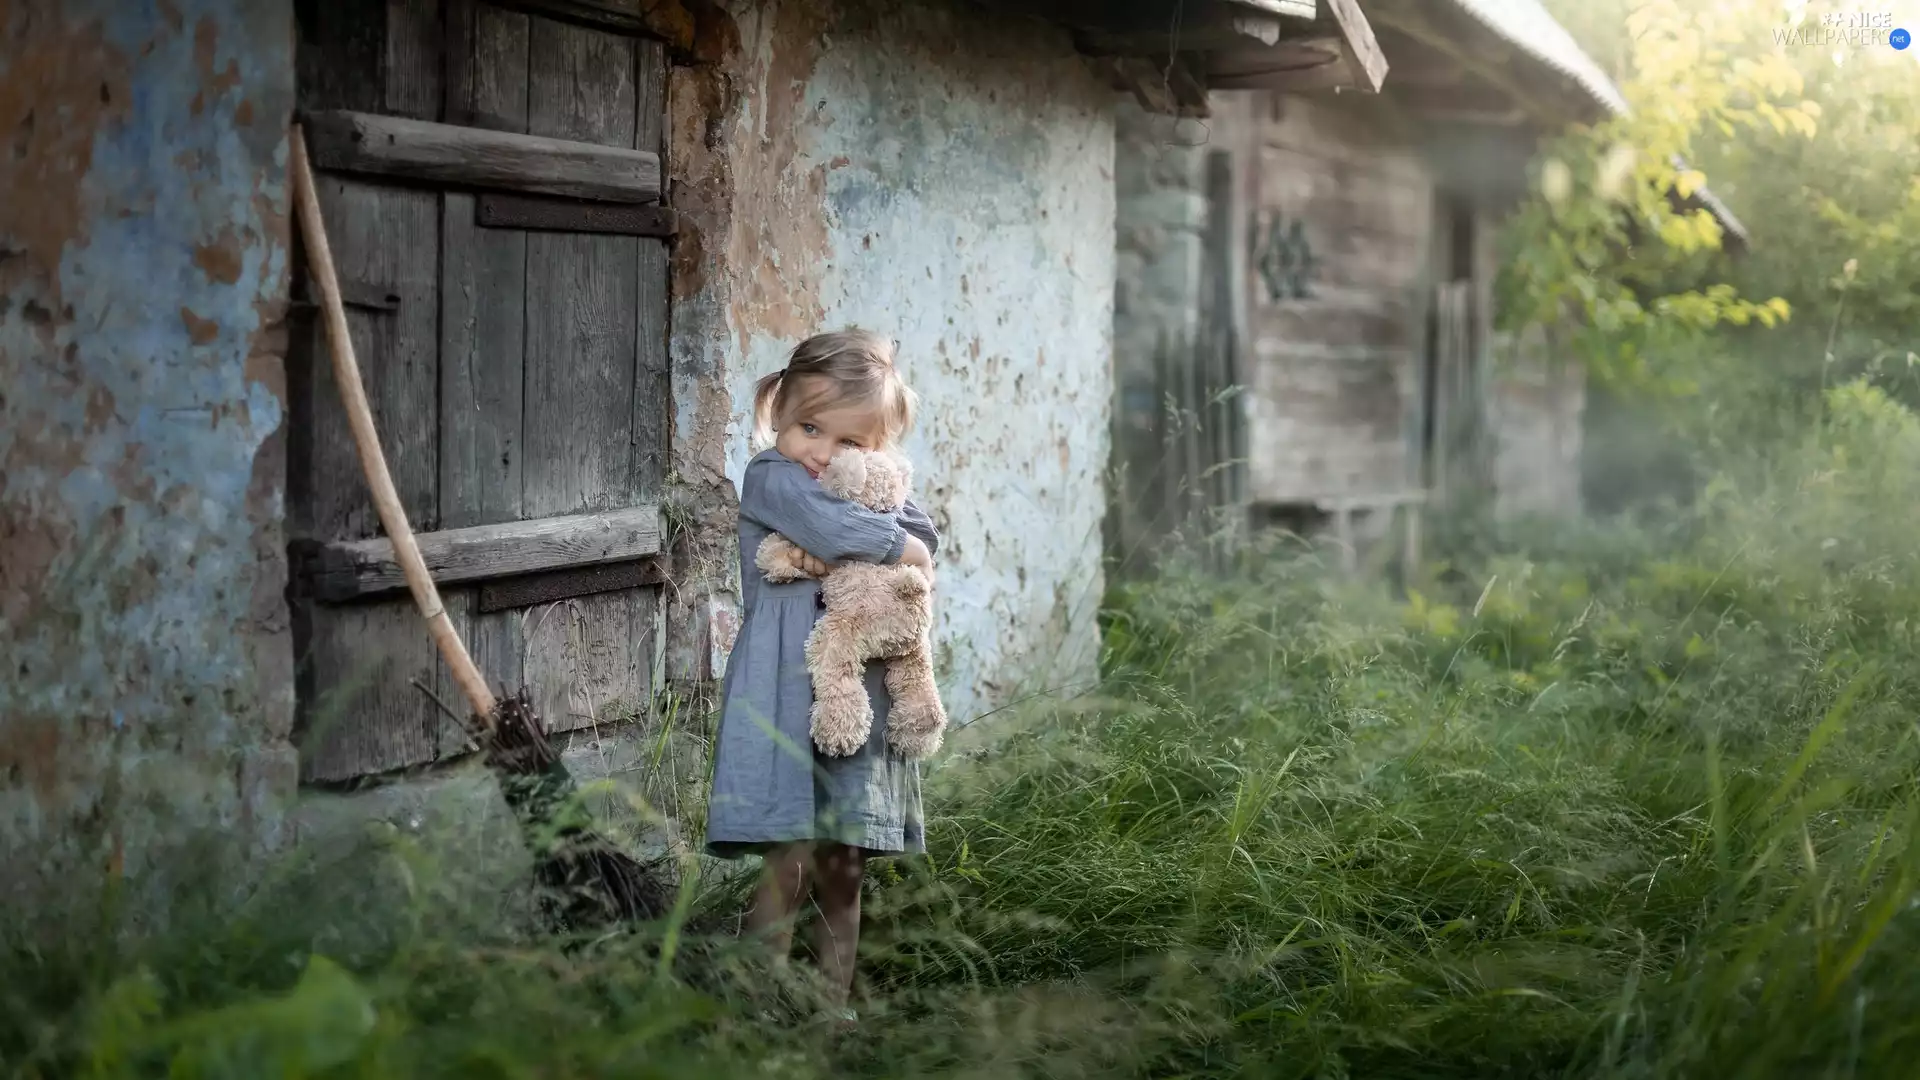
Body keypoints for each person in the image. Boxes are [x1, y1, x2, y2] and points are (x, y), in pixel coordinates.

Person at [703, 327, 941, 1023]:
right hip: (784, 691)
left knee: (844, 864)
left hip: (859, 698)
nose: (823, 454)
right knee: (793, 856)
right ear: (778, 408)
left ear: (878, 448)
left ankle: (830, 1014)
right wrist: (902, 550)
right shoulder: (771, 477)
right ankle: (754, 1006)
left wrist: (907, 542)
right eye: (810, 428)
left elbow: (927, 533)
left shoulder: (877, 488)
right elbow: (847, 535)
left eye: (850, 442)